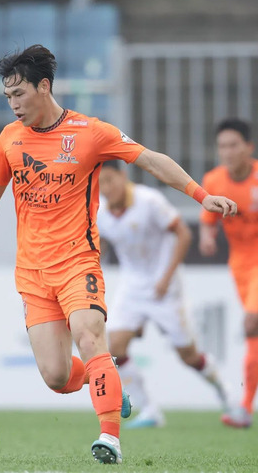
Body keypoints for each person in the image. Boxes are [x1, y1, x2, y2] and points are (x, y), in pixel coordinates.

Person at [0, 44, 236, 465]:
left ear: (43, 86)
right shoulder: (10, 138)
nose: (13, 105)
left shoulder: (90, 132)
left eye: (19, 94)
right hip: (32, 272)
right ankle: (110, 385)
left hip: (78, 262)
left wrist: (201, 195)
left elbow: (151, 160)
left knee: (90, 337)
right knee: (56, 377)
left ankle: (110, 437)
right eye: (7, 97)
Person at [98, 160, 231, 429]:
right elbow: (97, 244)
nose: (106, 188)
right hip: (133, 286)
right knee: (115, 346)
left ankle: (225, 391)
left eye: (110, 180)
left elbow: (183, 234)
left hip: (165, 288)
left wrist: (165, 278)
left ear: (123, 176)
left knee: (189, 356)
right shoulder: (100, 211)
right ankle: (149, 410)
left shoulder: (149, 201)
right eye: (100, 184)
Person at [200, 118, 258, 429]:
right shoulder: (214, 180)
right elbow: (208, 222)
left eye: (234, 145)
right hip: (241, 266)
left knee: (251, 322)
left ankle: (244, 406)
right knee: (255, 334)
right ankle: (245, 408)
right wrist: (207, 237)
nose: (228, 151)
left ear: (248, 148)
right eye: (222, 146)